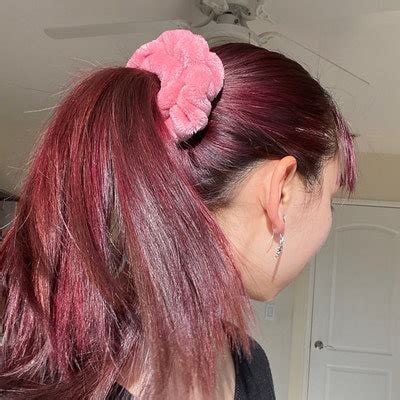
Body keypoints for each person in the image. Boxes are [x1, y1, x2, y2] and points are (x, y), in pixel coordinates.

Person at [0, 29, 357, 399]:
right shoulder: (250, 366)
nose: (327, 221)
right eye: (330, 198)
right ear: (279, 192)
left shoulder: (250, 366)